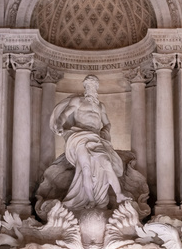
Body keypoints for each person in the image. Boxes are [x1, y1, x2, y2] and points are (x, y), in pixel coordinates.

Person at [49, 74, 125, 210]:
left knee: (107, 163)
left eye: (94, 85)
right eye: (89, 85)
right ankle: (90, 200)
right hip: (80, 137)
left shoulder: (101, 106)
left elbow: (107, 124)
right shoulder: (77, 101)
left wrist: (105, 132)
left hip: (96, 138)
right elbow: (64, 115)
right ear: (85, 87)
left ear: (97, 87)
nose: (91, 88)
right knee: (86, 169)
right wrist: (60, 125)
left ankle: (119, 195)